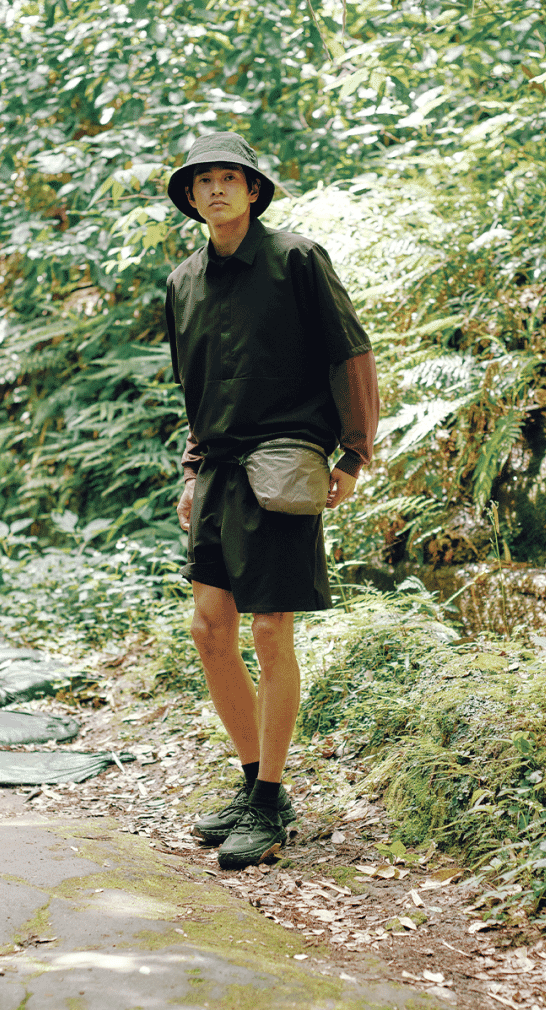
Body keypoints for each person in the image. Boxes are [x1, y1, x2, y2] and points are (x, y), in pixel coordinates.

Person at [164, 132, 379, 871]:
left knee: (269, 630)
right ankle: (257, 783)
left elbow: (348, 351)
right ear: (190, 198)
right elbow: (191, 389)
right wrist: (192, 471)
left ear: (252, 191)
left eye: (231, 178)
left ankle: (270, 800)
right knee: (208, 629)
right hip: (217, 469)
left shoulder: (295, 259)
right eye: (204, 181)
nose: (217, 190)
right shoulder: (183, 282)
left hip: (282, 464)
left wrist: (353, 451)